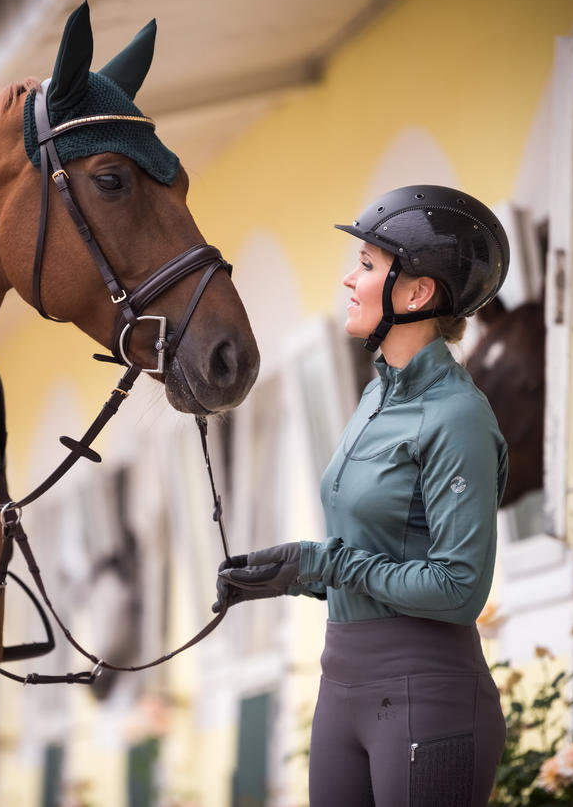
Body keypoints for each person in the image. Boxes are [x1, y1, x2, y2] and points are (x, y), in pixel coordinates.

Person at [215, 185, 510, 806]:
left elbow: (459, 589)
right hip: (341, 684)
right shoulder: (375, 396)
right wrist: (295, 571)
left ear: (416, 292)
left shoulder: (457, 416)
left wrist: (326, 562)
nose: (350, 280)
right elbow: (379, 550)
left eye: (370, 265)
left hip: (426, 697)